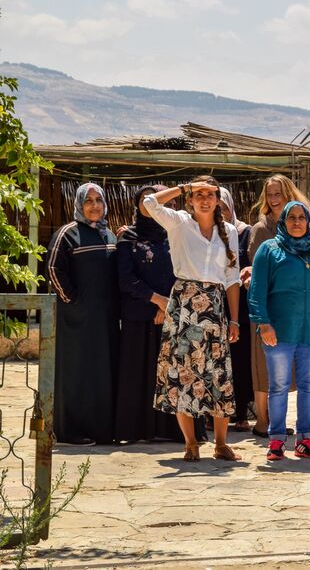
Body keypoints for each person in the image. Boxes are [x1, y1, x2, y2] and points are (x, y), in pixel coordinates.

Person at [143, 176, 242, 462]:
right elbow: (149, 203)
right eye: (198, 194)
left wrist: (234, 320)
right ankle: (190, 443)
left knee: (218, 374)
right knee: (183, 371)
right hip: (184, 306)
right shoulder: (179, 222)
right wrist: (185, 186)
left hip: (213, 308)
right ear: (189, 198)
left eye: (210, 194)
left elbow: (232, 278)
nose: (204, 199)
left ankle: (221, 443)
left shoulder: (230, 232)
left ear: (218, 199)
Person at [115, 185, 205, 443]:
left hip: (175, 315)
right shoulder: (128, 238)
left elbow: (187, 272)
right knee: (141, 373)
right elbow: (125, 279)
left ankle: (178, 431)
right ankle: (139, 429)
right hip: (139, 316)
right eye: (145, 200)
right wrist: (156, 301)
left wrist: (168, 306)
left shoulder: (179, 233)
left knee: (177, 373)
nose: (150, 205)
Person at [249, 201, 310, 460]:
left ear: (308, 222)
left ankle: (305, 439)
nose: (297, 222)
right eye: (292, 218)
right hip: (278, 331)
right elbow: (257, 290)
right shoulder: (269, 249)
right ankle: (276, 440)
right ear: (283, 222)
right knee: (278, 385)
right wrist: (263, 322)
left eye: (302, 218)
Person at [46, 182, 119, 445]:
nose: (94, 206)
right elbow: (54, 268)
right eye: (88, 201)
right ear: (79, 204)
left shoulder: (108, 235)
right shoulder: (67, 234)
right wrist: (72, 301)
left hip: (105, 319)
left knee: (101, 371)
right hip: (76, 319)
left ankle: (101, 430)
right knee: (75, 372)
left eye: (98, 200)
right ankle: (69, 431)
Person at [242, 174, 310, 438]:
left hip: (291, 309)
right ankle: (262, 420)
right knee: (263, 364)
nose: (273, 199)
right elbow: (259, 272)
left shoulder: (298, 226)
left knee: (285, 365)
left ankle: (278, 419)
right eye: (269, 194)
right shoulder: (261, 230)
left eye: (278, 193)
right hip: (266, 306)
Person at [219, 187, 254, 431]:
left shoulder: (243, 232)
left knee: (240, 359)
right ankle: (217, 413)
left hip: (239, 304)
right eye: (216, 207)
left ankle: (240, 411)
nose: (219, 211)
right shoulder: (204, 233)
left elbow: (251, 263)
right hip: (212, 302)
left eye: (223, 207)